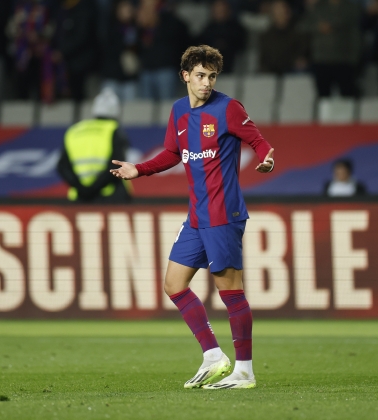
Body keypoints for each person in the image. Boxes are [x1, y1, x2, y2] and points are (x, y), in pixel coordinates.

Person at [111, 45, 275, 389]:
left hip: (224, 212)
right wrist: (138, 170)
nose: (207, 83)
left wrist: (266, 157)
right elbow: (172, 152)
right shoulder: (179, 111)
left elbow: (258, 141)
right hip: (197, 215)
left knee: (229, 289)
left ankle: (244, 371)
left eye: (212, 76)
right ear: (185, 76)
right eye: (200, 75)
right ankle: (214, 357)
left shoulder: (228, 108)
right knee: (173, 284)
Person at [57, 88, 131, 204]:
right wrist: (94, 188)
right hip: (110, 196)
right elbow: (118, 166)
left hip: (79, 198)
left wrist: (82, 189)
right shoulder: (114, 130)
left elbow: (62, 167)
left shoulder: (74, 130)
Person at [299, 0, 362, 97]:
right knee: (323, 96)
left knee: (348, 95)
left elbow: (355, 34)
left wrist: (354, 57)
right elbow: (302, 26)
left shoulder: (351, 8)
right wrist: (318, 27)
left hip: (344, 59)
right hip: (321, 59)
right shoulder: (318, 7)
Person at [198, 0, 246, 73]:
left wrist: (225, 45)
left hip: (230, 59)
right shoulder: (208, 29)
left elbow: (240, 45)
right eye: (218, 10)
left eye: (223, 10)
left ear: (229, 11)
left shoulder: (236, 28)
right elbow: (202, 44)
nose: (220, 12)